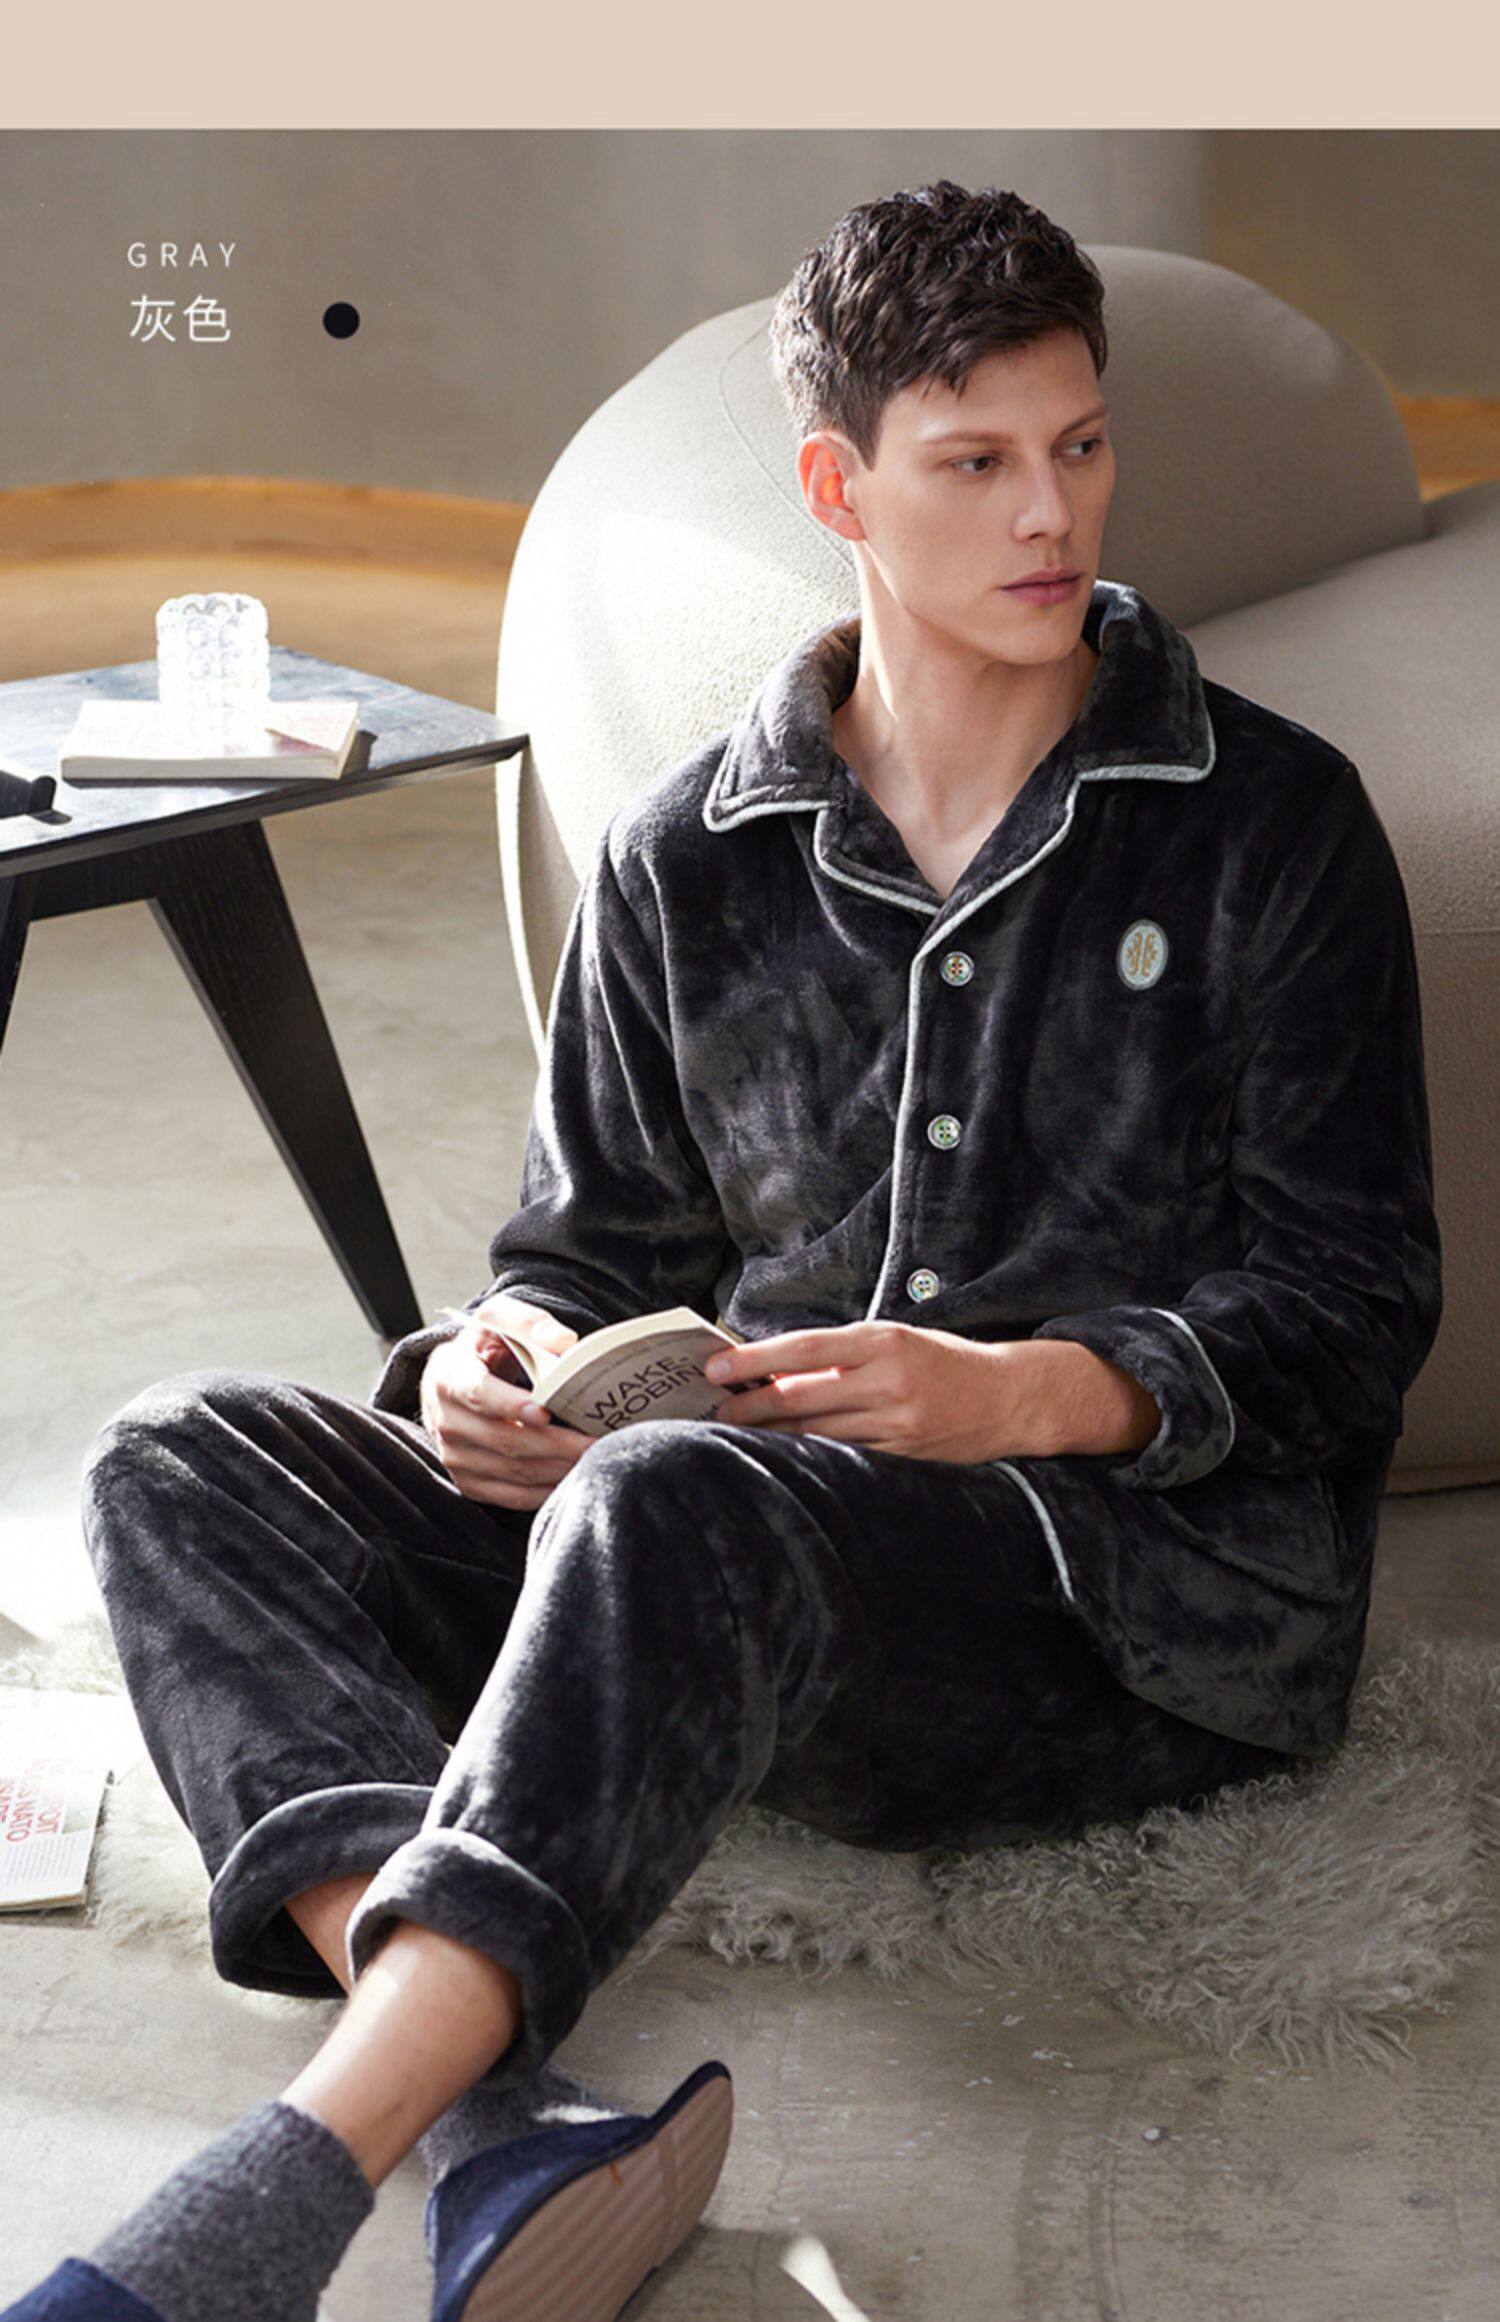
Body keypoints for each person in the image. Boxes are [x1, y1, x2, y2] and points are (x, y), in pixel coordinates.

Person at [5, 179, 1442, 2322]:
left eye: (1079, 446)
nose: (1050, 513)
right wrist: (507, 1357)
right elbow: (588, 1247)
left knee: (676, 1500)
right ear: (836, 488)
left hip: (1116, 1609)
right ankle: (495, 2110)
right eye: (975, 461)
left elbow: (1356, 1302)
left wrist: (1025, 1395)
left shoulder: (1270, 825)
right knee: (173, 1455)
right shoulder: (688, 854)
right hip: (705, 1540)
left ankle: (280, 2189)